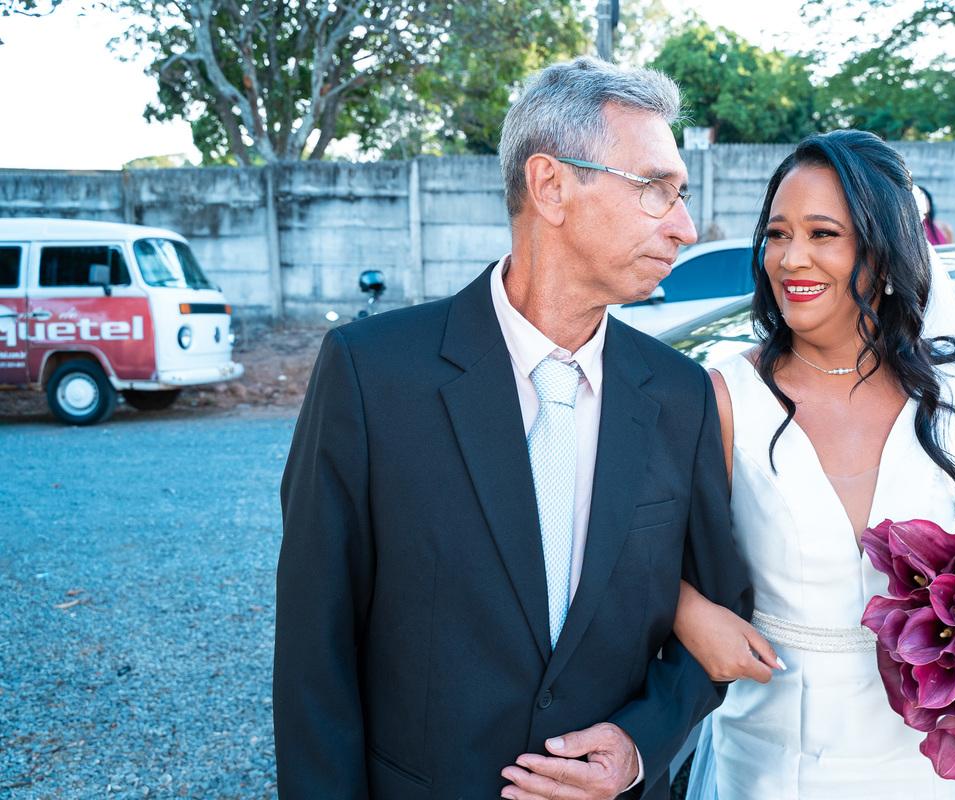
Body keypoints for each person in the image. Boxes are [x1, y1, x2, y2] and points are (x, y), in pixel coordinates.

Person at [274, 56, 751, 800]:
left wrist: (640, 745)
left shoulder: (681, 394)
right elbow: (314, 654)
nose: (685, 227)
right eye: (656, 189)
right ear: (552, 185)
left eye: (680, 195)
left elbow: (721, 611)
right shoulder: (371, 375)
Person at [672, 131, 955, 799]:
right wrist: (689, 612)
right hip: (777, 750)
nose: (790, 258)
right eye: (777, 234)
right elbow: (645, 555)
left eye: (822, 233)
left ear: (885, 255)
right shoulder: (725, 397)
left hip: (934, 756)